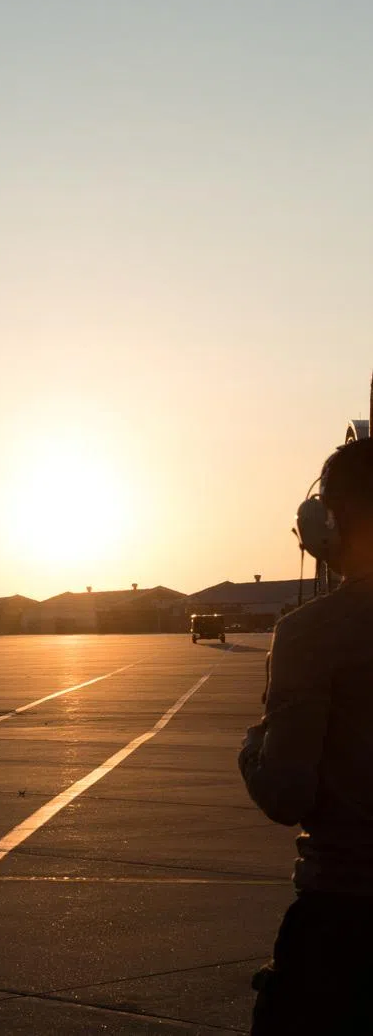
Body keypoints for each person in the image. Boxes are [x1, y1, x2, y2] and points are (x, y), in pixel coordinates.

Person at [240, 436, 373, 1032]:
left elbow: (286, 793)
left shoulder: (312, 633)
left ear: (331, 520)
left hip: (347, 921)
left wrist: (252, 747)